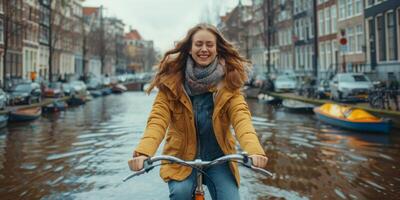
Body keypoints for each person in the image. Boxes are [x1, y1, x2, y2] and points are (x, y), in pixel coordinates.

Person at [128, 23, 268, 200]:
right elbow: (157, 121)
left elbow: (242, 120)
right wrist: (143, 153)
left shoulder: (229, 84)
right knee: (180, 193)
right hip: (181, 158)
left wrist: (254, 151)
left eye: (209, 45)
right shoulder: (171, 83)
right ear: (189, 49)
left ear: (217, 49)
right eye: (199, 44)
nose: (204, 49)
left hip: (219, 158)